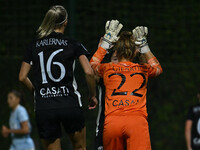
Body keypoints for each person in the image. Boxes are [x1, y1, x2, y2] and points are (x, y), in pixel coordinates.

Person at [19, 5, 97, 150]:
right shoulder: (73, 43)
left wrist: (37, 93)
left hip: (45, 107)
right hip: (70, 103)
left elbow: (22, 77)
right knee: (80, 147)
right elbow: (89, 72)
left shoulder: (33, 45)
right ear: (65, 22)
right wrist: (93, 95)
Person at [90, 20, 163, 150]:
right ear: (135, 52)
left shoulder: (108, 68)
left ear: (116, 51)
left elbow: (91, 67)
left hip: (112, 121)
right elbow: (157, 69)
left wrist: (105, 44)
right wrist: (144, 47)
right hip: (137, 121)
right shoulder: (143, 69)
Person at [95, 50, 118, 150]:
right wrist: (102, 49)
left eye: (120, 59)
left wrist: (141, 52)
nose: (117, 63)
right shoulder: (106, 74)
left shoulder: (131, 74)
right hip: (105, 123)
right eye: (115, 59)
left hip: (125, 123)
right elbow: (91, 72)